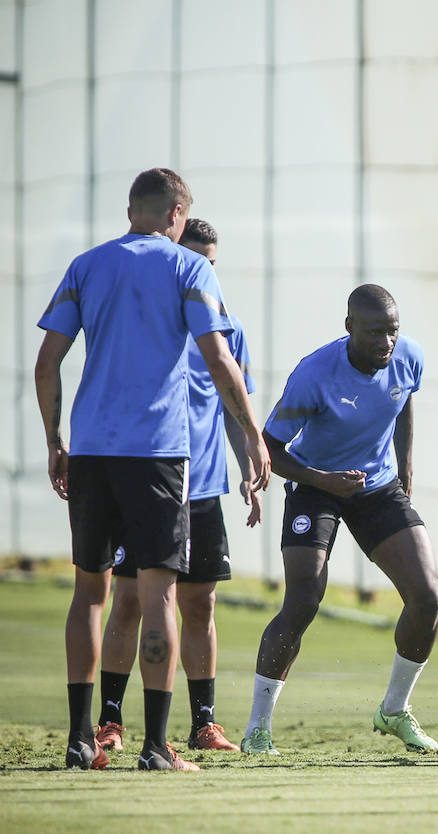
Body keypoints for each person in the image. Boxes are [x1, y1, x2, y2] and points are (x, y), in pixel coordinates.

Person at [35, 168, 270, 772]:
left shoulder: (86, 266)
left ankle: (81, 739)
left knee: (92, 592)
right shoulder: (189, 268)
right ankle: (156, 746)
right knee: (161, 592)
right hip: (158, 455)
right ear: (176, 216)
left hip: (89, 450)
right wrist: (251, 433)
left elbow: (46, 363)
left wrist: (54, 440)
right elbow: (219, 359)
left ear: (132, 208)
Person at [240, 284, 438, 755]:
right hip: (315, 487)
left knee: (428, 598)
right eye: (374, 333)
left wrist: (405, 464)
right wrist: (324, 481)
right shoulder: (314, 375)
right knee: (303, 599)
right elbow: (271, 450)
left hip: (377, 486)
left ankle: (394, 710)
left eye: (392, 332)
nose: (385, 343)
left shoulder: (408, 356)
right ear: (349, 326)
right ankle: (257, 729)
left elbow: (404, 399)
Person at [93, 219, 258, 756]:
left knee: (201, 603)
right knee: (130, 600)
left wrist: (248, 470)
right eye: (196, 262)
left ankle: (204, 722)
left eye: (212, 264)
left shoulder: (229, 330)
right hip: (147, 482)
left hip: (203, 485)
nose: (204, 273)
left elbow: (235, 408)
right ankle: (111, 721)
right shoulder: (150, 326)